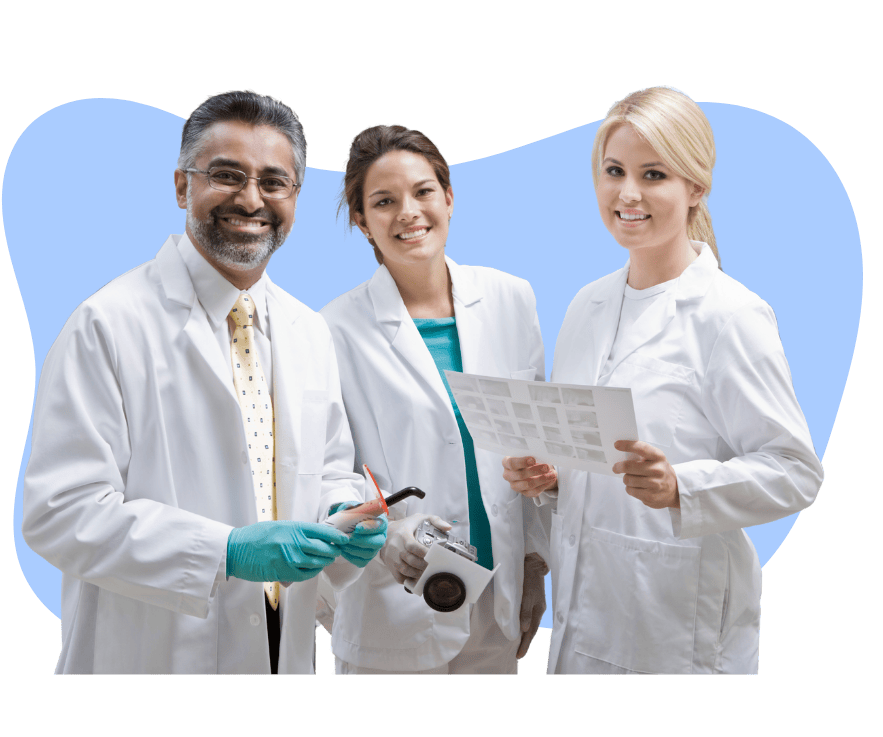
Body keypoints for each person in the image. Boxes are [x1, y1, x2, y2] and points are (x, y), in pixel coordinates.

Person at [21, 89, 386, 675]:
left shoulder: (307, 330)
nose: (251, 199)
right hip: (149, 658)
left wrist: (344, 511)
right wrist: (226, 551)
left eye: (274, 181)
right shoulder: (108, 324)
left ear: (295, 197)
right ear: (181, 186)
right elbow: (59, 513)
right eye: (226, 175)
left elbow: (326, 468)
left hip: (277, 649)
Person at [502, 87, 824, 674]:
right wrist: (551, 479)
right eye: (613, 171)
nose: (628, 194)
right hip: (584, 623)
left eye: (653, 174)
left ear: (695, 187)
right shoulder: (586, 306)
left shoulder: (730, 315)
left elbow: (796, 472)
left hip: (679, 635)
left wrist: (682, 487)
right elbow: (590, 457)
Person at [319, 124, 550, 674]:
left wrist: (535, 564)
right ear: (361, 220)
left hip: (498, 602)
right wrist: (382, 535)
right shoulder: (332, 329)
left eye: (423, 191)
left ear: (448, 197)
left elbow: (535, 440)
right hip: (392, 605)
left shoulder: (510, 299)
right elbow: (327, 469)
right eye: (383, 201)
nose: (408, 212)